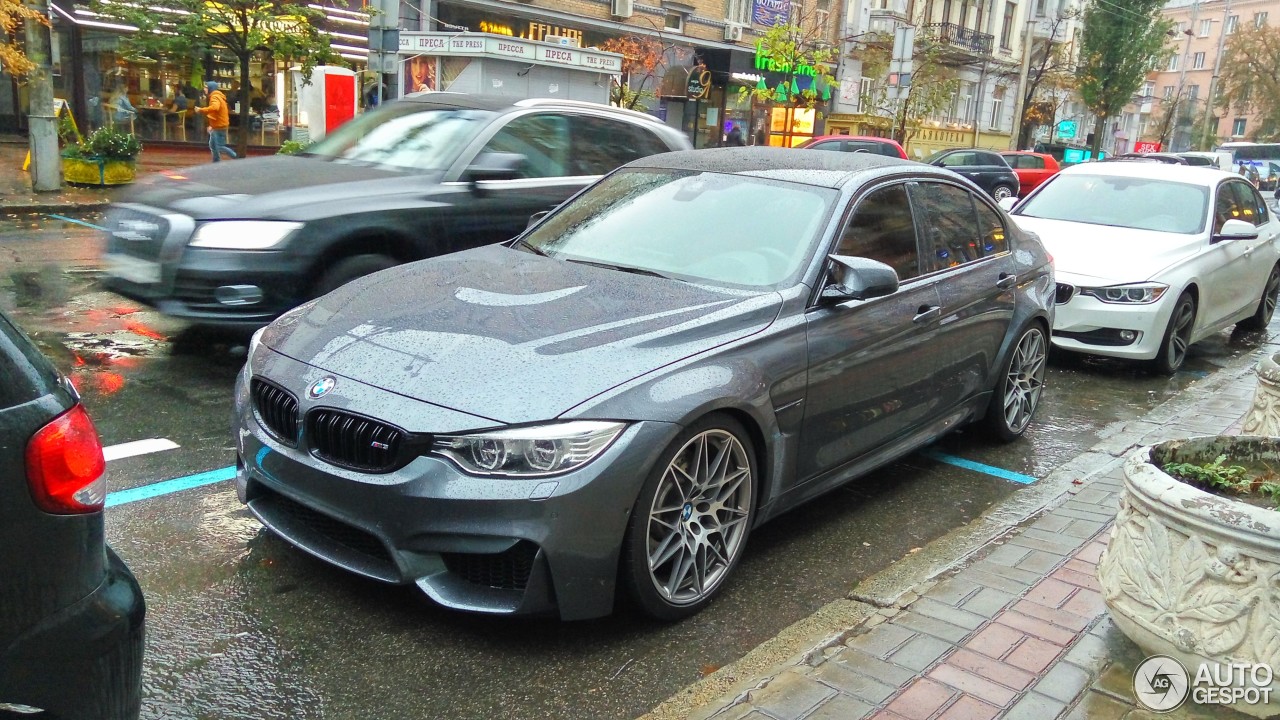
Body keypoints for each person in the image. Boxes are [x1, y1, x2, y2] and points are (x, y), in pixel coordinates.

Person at [195, 81, 237, 162]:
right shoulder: (217, 96)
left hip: (219, 126)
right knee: (213, 145)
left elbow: (215, 107)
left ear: (210, 88)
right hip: (218, 125)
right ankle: (216, 160)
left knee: (219, 146)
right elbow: (215, 112)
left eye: (206, 87)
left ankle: (236, 157)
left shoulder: (214, 97)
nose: (204, 89)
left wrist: (201, 110)